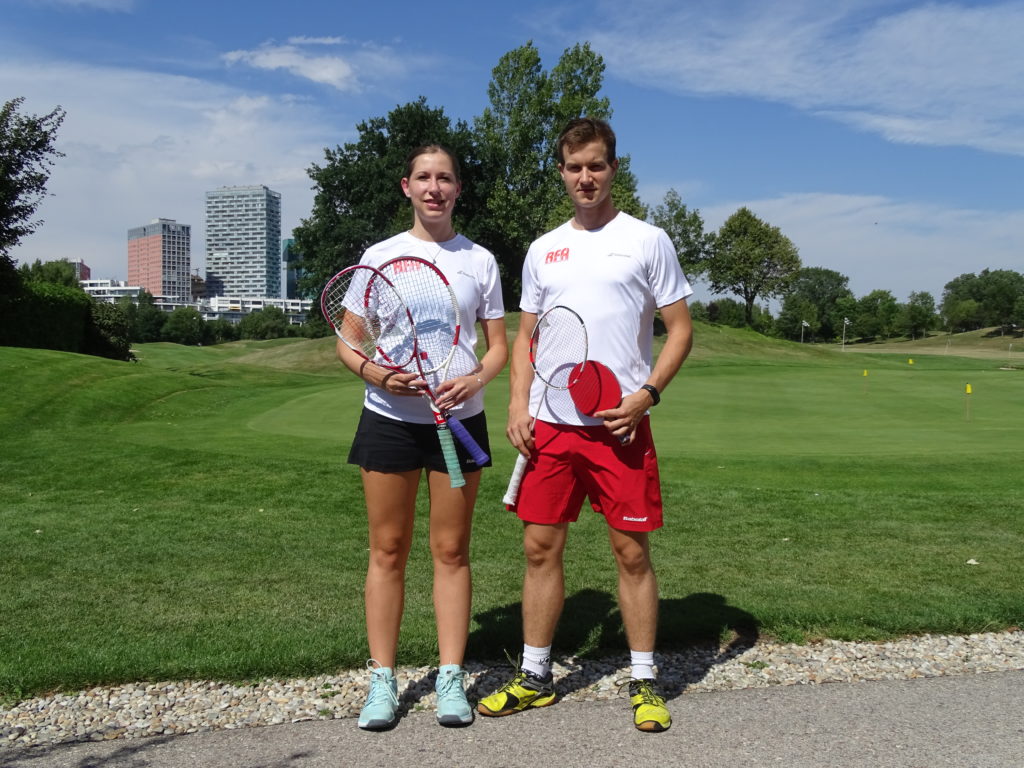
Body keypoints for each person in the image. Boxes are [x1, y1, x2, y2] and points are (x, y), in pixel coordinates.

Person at [477, 118, 693, 732]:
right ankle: (536, 675)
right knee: (539, 548)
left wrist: (647, 394)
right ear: (562, 172)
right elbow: (527, 336)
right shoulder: (544, 248)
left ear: (614, 169)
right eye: (575, 167)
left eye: (596, 165)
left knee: (631, 552)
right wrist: (518, 405)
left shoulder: (648, 240)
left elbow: (680, 330)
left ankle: (646, 679)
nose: (585, 177)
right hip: (552, 427)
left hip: (620, 427)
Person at [337, 145, 507, 730]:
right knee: (387, 550)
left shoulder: (479, 261)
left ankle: (450, 678)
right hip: (388, 417)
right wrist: (377, 373)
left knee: (452, 551)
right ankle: (382, 681)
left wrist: (474, 378)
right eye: (424, 178)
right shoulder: (379, 257)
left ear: (458, 189)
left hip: (458, 421)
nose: (435, 188)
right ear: (405, 186)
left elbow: (499, 347)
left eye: (446, 179)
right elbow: (349, 343)